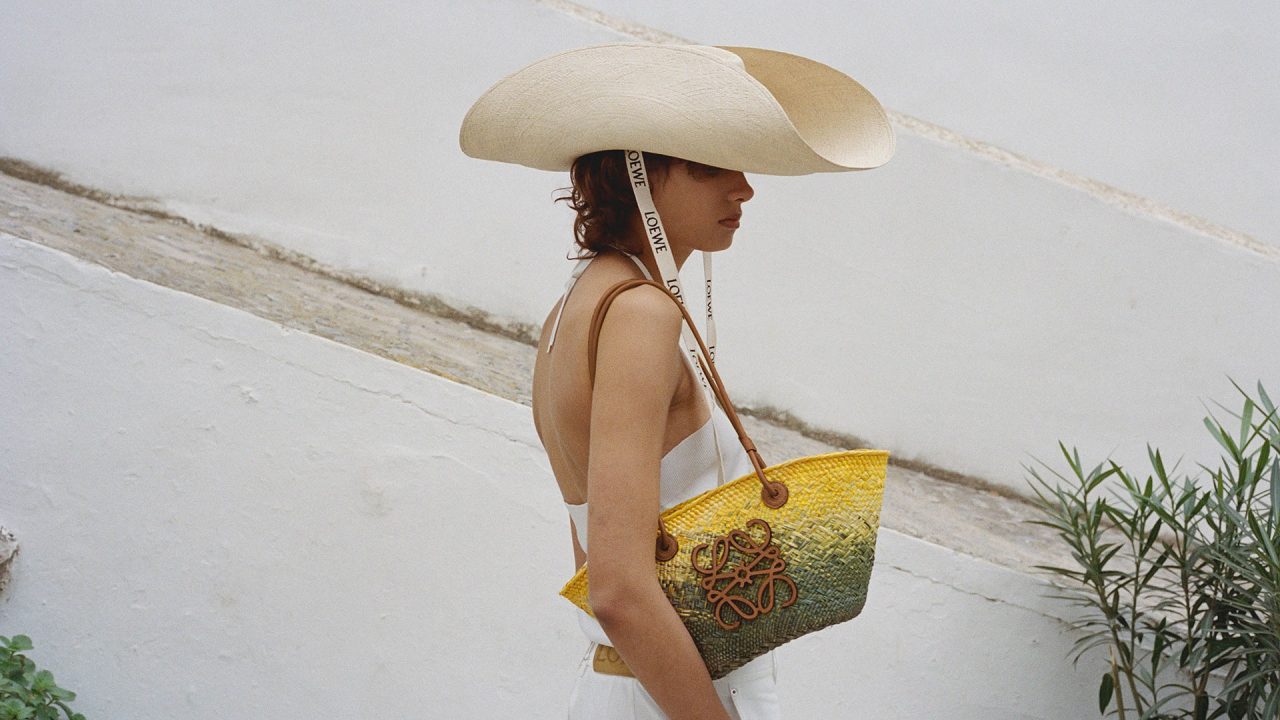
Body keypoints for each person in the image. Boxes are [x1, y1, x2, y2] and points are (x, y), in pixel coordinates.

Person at [460, 42, 895, 720]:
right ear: (639, 175)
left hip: (630, 682)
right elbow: (617, 589)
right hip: (668, 695)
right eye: (709, 166)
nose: (744, 187)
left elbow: (593, 553)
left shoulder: (580, 302)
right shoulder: (639, 313)